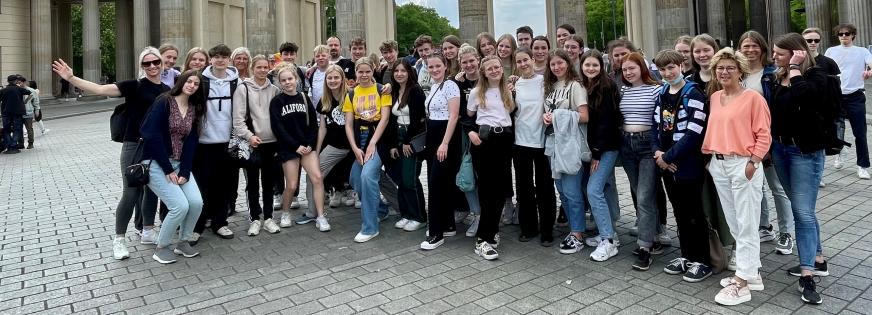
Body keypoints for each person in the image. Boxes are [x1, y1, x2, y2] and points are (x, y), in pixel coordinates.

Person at [52, 47, 169, 259]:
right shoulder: (134, 86)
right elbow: (99, 89)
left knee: (153, 190)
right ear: (141, 66)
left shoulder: (167, 89)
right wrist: (71, 77)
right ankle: (119, 239)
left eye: (156, 62)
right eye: (147, 63)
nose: (152, 66)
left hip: (156, 148)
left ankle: (148, 231)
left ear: (161, 64)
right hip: (134, 145)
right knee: (131, 192)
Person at [703, 48, 771, 306]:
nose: (724, 71)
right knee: (734, 222)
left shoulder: (753, 98)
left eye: (730, 67)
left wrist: (753, 162)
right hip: (719, 163)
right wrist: (711, 162)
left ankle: (742, 281)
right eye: (720, 67)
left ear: (740, 70)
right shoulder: (715, 96)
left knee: (747, 221)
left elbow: (764, 133)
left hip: (743, 163)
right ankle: (751, 272)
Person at [770, 33, 830, 305]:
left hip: (805, 152)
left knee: (802, 212)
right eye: (774, 53)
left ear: (797, 53)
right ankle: (817, 258)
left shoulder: (816, 75)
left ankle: (807, 274)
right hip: (781, 150)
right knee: (802, 207)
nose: (774, 58)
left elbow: (806, 98)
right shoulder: (776, 77)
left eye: (780, 54)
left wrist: (795, 68)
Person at [651, 49, 712, 281]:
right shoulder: (662, 92)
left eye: (671, 68)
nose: (667, 73)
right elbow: (656, 125)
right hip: (667, 162)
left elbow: (694, 133)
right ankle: (687, 255)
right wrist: (659, 153)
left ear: (681, 65)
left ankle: (702, 260)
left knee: (694, 211)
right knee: (679, 211)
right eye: (662, 69)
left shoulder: (694, 93)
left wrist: (669, 157)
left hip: (687, 163)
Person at [738, 30, 795, 255]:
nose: (750, 50)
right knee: (755, 187)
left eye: (755, 46)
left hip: (767, 138)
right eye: (746, 46)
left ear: (763, 48)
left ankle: (786, 232)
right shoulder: (738, 73)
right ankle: (764, 227)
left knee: (777, 187)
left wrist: (769, 143)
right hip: (743, 140)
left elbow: (777, 110)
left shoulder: (771, 74)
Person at [140, 70, 205, 264]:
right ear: (181, 82)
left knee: (196, 203)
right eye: (189, 81)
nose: (192, 85)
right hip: (156, 163)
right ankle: (162, 247)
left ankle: (183, 242)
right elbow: (151, 135)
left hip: (179, 164)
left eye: (196, 84)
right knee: (179, 206)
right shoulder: (164, 101)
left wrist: (185, 170)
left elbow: (192, 140)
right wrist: (168, 169)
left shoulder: (194, 107)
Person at [464, 55, 515, 259]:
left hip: (504, 140)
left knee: (501, 189)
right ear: (483, 72)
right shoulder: (477, 92)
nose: (494, 70)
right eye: (489, 68)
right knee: (487, 191)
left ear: (502, 69)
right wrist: (471, 133)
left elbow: (512, 114)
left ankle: (492, 230)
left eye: (497, 67)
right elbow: (466, 118)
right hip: (484, 141)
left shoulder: (508, 91)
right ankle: (482, 239)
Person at [270, 63, 328, 233]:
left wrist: (309, 144)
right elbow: (277, 127)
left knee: (317, 178)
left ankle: (321, 216)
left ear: (296, 79)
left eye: (290, 79)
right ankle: (285, 213)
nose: (287, 82)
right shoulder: (277, 101)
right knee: (292, 185)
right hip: (289, 148)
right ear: (279, 83)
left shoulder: (304, 97)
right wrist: (295, 146)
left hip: (307, 147)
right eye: (283, 80)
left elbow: (313, 125)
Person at [192, 44, 241, 242]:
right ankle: (198, 225)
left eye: (224, 57)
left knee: (224, 185)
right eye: (216, 57)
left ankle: (220, 223)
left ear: (229, 59)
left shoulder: (236, 82)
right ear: (210, 59)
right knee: (202, 185)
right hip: (204, 142)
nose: (220, 60)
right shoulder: (201, 81)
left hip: (227, 142)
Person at [543, 50, 590, 256]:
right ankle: (573, 228)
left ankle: (578, 233)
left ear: (567, 63)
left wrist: (557, 116)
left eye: (560, 63)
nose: (556, 67)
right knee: (562, 191)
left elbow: (584, 116)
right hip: (554, 143)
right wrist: (548, 118)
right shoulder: (551, 87)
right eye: (552, 64)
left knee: (572, 191)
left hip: (570, 145)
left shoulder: (576, 85)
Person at [344, 56, 393, 243]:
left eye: (367, 71)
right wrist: (355, 148)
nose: (364, 75)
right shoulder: (351, 94)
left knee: (367, 176)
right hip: (360, 138)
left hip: (378, 139)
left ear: (373, 71)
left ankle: (370, 227)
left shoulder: (382, 90)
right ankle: (380, 209)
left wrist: (373, 142)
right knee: (355, 178)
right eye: (360, 71)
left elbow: (385, 118)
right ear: (355, 72)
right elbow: (348, 124)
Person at [232, 54, 282, 236]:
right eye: (259, 67)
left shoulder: (275, 90)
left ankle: (268, 217)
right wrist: (249, 136)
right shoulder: (243, 89)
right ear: (253, 68)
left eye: (265, 67)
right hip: (252, 143)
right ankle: (254, 218)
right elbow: (237, 120)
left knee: (269, 182)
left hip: (272, 144)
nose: (262, 70)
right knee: (252, 184)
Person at [580, 49, 622, 261]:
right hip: (598, 146)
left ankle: (608, 240)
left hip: (606, 147)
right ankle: (610, 231)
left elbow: (606, 122)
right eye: (587, 65)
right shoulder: (587, 85)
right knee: (605, 187)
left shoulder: (606, 86)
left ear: (601, 66)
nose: (590, 68)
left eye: (594, 65)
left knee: (593, 189)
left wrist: (596, 153)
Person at [512, 48, 556, 247]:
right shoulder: (514, 86)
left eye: (525, 60)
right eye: (519, 61)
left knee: (545, 188)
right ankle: (528, 227)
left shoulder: (545, 82)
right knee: (524, 188)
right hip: (520, 142)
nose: (523, 64)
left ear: (532, 59)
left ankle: (547, 230)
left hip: (542, 142)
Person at [422, 53, 464, 247]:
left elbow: (454, 116)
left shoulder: (450, 85)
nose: (434, 70)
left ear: (445, 66)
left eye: (438, 66)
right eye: (431, 67)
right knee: (442, 183)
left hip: (445, 138)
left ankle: (436, 232)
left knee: (436, 184)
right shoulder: (434, 86)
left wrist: (445, 143)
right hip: (433, 137)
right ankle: (447, 225)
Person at [304, 64, 354, 225]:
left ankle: (398, 206)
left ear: (342, 79)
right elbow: (323, 128)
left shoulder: (351, 95)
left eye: (336, 77)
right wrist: (317, 152)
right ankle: (313, 212)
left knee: (372, 178)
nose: (332, 81)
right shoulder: (324, 100)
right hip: (335, 146)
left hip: (353, 145)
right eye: (329, 78)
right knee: (313, 174)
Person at [384, 59, 428, 232]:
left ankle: (419, 216)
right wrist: (394, 144)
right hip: (399, 136)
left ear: (409, 72)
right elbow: (392, 120)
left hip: (412, 137)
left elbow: (418, 120)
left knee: (410, 179)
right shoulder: (394, 90)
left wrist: (407, 142)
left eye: (403, 70)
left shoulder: (415, 91)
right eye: (396, 71)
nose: (400, 74)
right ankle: (406, 214)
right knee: (401, 179)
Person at [824, 23, 872, 179]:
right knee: (836, 130)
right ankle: (840, 152)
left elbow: (871, 63)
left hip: (855, 96)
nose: (843, 36)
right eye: (840, 34)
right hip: (836, 95)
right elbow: (825, 69)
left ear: (853, 35)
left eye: (847, 33)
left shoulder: (862, 51)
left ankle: (862, 165)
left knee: (860, 133)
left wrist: (869, 70)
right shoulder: (831, 51)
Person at [452, 44, 484, 236]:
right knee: (468, 175)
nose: (469, 65)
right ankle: (477, 214)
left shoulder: (487, 79)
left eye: (472, 60)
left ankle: (488, 215)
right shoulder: (458, 83)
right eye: (465, 62)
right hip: (466, 135)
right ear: (460, 64)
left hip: (488, 134)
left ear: (478, 60)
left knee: (485, 177)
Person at [0, 75, 31, 154]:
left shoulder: (3, 90)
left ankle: (10, 146)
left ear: (8, 81)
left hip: (6, 112)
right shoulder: (19, 89)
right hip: (17, 112)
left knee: (6, 130)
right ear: (15, 81)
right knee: (17, 129)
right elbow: (29, 92)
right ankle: (14, 145)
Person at [18, 76, 40, 149]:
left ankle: (31, 143)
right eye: (17, 83)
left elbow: (36, 102)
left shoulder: (32, 91)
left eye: (19, 83)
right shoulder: (16, 90)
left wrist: (37, 110)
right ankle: (20, 144)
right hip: (19, 113)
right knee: (19, 129)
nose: (18, 84)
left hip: (28, 112)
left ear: (24, 82)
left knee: (29, 128)